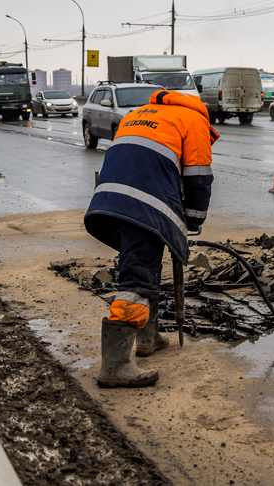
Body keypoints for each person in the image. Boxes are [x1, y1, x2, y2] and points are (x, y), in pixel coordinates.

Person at [85, 89, 220, 388]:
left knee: (143, 264)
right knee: (137, 280)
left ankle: (148, 337)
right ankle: (115, 366)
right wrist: (194, 221)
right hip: (143, 205)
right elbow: (198, 178)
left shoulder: (140, 114)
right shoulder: (194, 120)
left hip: (108, 202)